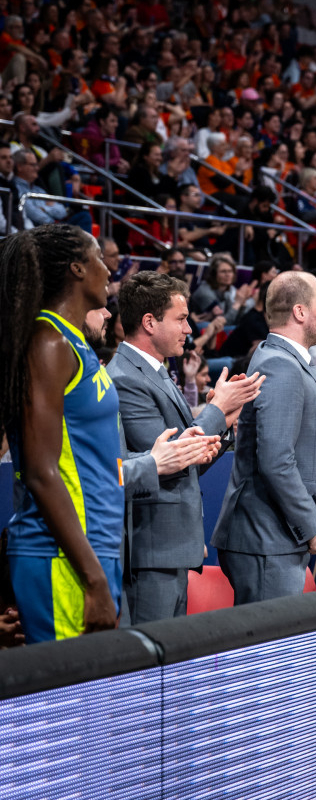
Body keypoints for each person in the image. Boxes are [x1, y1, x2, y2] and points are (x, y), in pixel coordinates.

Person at [108, 272, 264, 623]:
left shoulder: (157, 371)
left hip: (171, 548)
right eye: (180, 319)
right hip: (151, 551)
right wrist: (217, 409)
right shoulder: (125, 378)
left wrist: (224, 422)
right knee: (149, 653)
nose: (189, 329)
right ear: (150, 322)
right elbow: (166, 458)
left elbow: (186, 463)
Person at [0, 226, 121, 643]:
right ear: (76, 268)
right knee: (74, 686)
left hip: (93, 548)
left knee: (100, 683)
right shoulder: (47, 342)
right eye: (99, 257)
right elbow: (40, 472)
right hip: (62, 556)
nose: (108, 269)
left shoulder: (76, 342)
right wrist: (93, 578)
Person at [211, 272, 316, 602]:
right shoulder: (280, 364)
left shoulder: (282, 359)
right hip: (268, 538)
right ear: (300, 312)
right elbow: (276, 460)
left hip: (274, 537)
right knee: (268, 637)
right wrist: (312, 525)